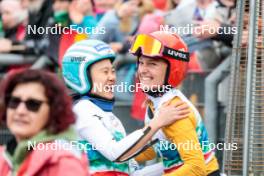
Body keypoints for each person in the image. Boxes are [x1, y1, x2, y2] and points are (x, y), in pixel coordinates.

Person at [61, 39, 190, 176]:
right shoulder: (82, 110)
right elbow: (115, 153)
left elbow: (130, 172)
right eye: (105, 72)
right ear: (81, 77)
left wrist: (175, 165)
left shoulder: (107, 115)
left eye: (112, 71)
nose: (112, 78)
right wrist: (158, 122)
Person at [129, 31, 220, 176]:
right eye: (141, 63)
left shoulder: (174, 111)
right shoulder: (157, 102)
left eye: (152, 64)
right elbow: (155, 149)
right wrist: (118, 157)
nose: (143, 70)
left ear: (173, 68)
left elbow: (196, 168)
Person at [0, 69, 89, 176]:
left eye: (33, 104)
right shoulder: (4, 155)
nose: (20, 111)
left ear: (54, 110)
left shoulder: (64, 163)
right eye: (14, 101)